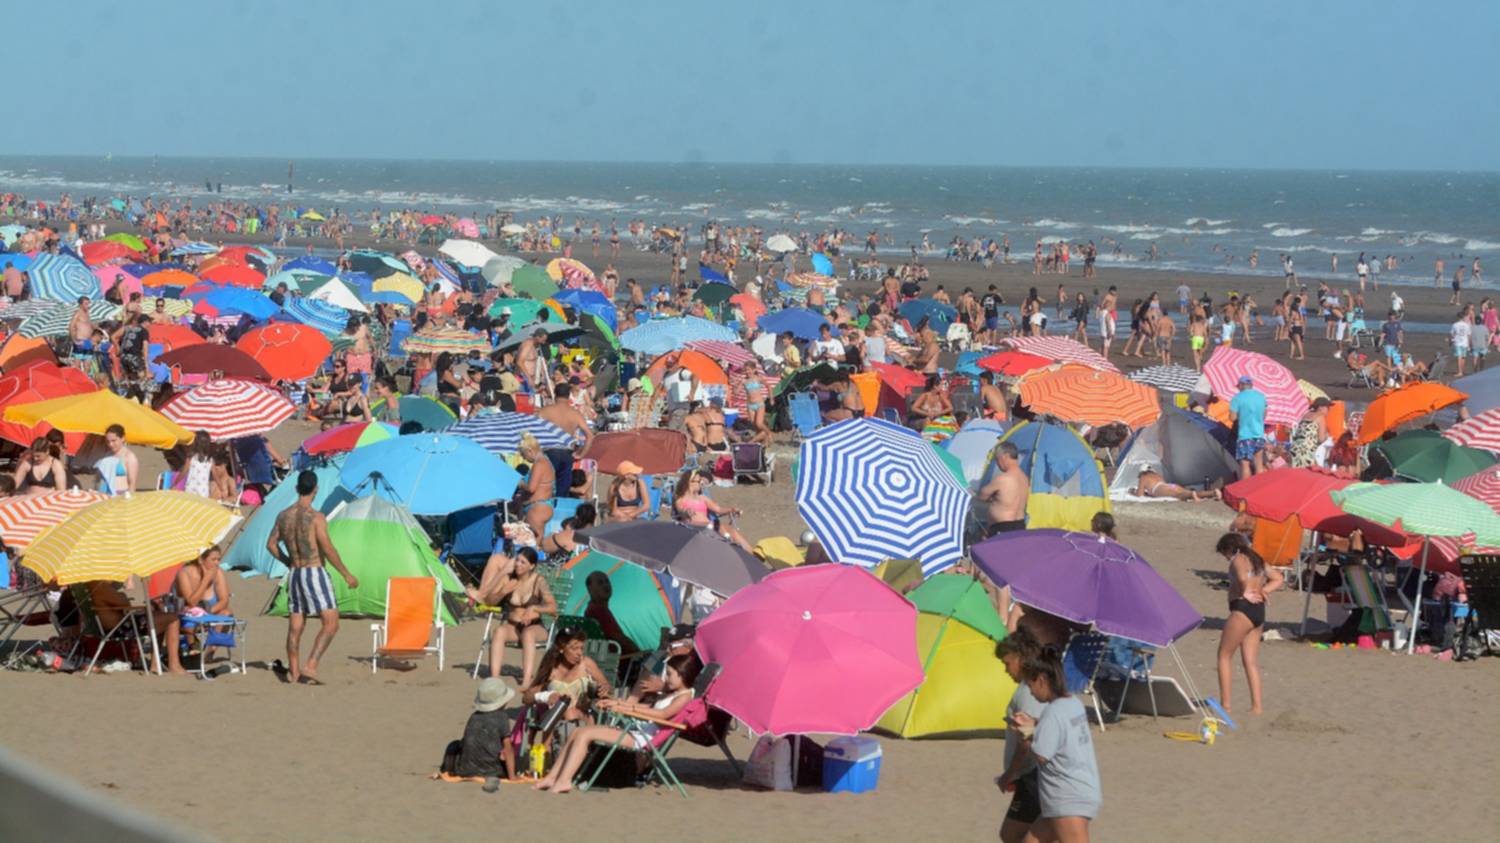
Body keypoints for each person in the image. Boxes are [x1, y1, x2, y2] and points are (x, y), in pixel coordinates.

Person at [535, 653, 699, 793]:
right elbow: (649, 707)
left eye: (670, 674)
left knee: (586, 733)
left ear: (682, 674)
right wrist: (617, 704)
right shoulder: (673, 693)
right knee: (577, 732)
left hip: (642, 738)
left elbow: (662, 714)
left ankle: (564, 781)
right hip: (638, 730)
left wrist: (628, 709)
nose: (666, 679)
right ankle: (552, 777)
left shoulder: (684, 697)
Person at [266, 471, 359, 685]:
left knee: (296, 626)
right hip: (313, 571)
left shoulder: (283, 515)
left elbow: (271, 545)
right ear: (315, 489)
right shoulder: (316, 517)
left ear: (297, 488)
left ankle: (294, 672)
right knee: (331, 623)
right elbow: (327, 547)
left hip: (295, 574)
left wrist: (289, 561)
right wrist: (346, 574)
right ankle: (310, 666)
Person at [1007, 650, 1102, 842]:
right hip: (1078, 791)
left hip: (1068, 797)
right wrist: (1034, 724)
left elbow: (1041, 755)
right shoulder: (1073, 702)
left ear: (1042, 680)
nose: (1031, 692)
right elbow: (1061, 732)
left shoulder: (1053, 711)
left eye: (1031, 685)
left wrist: (1024, 735)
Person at [1215, 532, 1283, 715]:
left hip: (1242, 610)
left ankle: (1226, 705)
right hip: (1258, 612)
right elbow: (1278, 578)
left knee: (1224, 656)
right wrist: (1262, 591)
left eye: (1224, 554)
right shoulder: (1257, 559)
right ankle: (1257, 706)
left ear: (1229, 549)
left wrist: (1244, 592)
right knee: (1251, 661)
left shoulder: (1238, 559)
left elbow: (1243, 578)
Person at [473, 546, 556, 687]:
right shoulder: (509, 579)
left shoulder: (538, 581)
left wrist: (534, 608)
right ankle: (494, 678)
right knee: (499, 631)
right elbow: (489, 602)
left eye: (523, 562)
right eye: (517, 560)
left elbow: (553, 607)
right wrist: (502, 592)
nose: (518, 564)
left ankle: (526, 680)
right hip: (514, 627)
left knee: (528, 634)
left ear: (532, 566)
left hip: (535, 627)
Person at [996, 628, 1048, 843]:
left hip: (1033, 776)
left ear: (1019, 658)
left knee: (1011, 835)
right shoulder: (1032, 687)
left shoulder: (1028, 691)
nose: (1006, 669)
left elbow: (1027, 740)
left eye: (1007, 663)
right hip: (1033, 776)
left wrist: (1011, 773)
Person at [520, 625, 611, 734]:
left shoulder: (586, 664)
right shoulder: (551, 668)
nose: (579, 653)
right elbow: (526, 698)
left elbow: (608, 688)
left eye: (581, 648)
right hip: (554, 719)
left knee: (570, 713)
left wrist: (604, 688)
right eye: (574, 648)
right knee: (568, 713)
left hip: (583, 717)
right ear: (562, 648)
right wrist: (545, 696)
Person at [434, 678, 517, 788]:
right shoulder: (502, 717)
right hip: (493, 771)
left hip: (464, 770)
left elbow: (467, 743)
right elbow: (508, 749)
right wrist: (512, 777)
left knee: (453, 745)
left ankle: (448, 770)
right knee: (509, 750)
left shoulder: (474, 717)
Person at [535, 383, 594, 497]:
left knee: (545, 488)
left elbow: (533, 432)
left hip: (549, 452)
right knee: (562, 491)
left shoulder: (545, 411)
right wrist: (581, 454)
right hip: (567, 454)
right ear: (569, 395)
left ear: (555, 395)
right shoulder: (575, 414)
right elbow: (590, 436)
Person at [674, 470, 752, 551]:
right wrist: (686, 512)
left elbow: (718, 509)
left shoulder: (702, 498)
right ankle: (728, 542)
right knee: (719, 526)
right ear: (690, 482)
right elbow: (681, 511)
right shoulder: (681, 500)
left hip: (709, 525)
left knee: (733, 532)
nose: (702, 483)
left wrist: (731, 509)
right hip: (693, 527)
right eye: (699, 481)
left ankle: (754, 556)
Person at [582, 571, 640, 658]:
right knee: (658, 661)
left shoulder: (594, 608)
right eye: (600, 583)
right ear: (590, 589)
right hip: (622, 662)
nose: (605, 585)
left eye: (607, 581)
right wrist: (640, 653)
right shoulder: (597, 610)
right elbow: (619, 639)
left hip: (621, 660)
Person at [979, 442, 1028, 535]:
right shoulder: (1024, 478)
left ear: (1005, 456)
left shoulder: (1003, 478)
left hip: (1003, 528)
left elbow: (981, 496)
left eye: (997, 459)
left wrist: (992, 497)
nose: (997, 464)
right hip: (1020, 525)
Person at [517, 434, 555, 540]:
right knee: (537, 543)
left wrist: (520, 483)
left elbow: (531, 488)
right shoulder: (546, 461)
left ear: (530, 451)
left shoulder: (539, 464)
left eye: (524, 455)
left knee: (533, 545)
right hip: (544, 506)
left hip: (537, 509)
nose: (524, 458)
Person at [1229, 376, 1267, 479]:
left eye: (1238, 386)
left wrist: (1241, 415)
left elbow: (1232, 418)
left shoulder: (1237, 398)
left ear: (1241, 385)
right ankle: (1260, 489)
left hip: (1245, 435)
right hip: (1259, 435)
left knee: (1245, 465)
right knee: (1258, 464)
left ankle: (1246, 491)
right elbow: (1263, 416)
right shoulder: (1261, 396)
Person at [1134, 466, 1219, 501]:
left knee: (1180, 495)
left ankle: (1192, 494)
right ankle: (1212, 493)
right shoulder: (1157, 475)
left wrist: (1134, 492)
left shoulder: (1143, 477)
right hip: (1170, 485)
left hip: (1159, 488)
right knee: (1184, 492)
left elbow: (1139, 495)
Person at [99, 423, 139, 495]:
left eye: (114, 441)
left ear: (122, 438)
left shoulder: (129, 457)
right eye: (108, 441)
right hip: (104, 494)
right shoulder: (106, 455)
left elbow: (132, 484)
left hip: (121, 495)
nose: (110, 444)